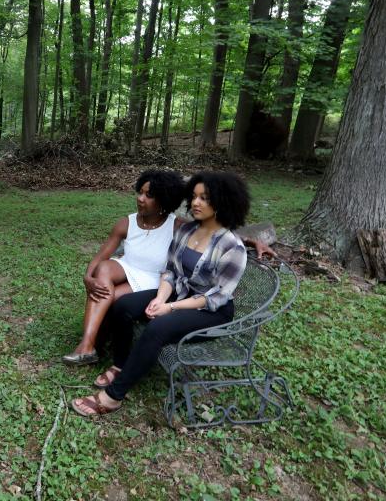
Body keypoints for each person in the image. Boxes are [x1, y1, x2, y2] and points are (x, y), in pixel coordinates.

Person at [71, 171, 252, 416]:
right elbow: (170, 272)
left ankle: (113, 396)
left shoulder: (232, 247)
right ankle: (121, 364)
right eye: (195, 197)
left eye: (205, 198)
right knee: (123, 306)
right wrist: (159, 298)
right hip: (178, 294)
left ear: (222, 202)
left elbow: (215, 297)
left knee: (157, 328)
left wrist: (170, 307)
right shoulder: (187, 231)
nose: (196, 203)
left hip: (210, 312)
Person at [62, 169, 187, 366]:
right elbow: (101, 255)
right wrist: (87, 276)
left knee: (111, 296)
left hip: (154, 279)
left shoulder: (177, 226)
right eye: (140, 192)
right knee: (102, 269)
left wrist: (249, 240)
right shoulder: (126, 223)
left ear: (164, 199)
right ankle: (87, 345)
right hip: (127, 267)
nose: (141, 199)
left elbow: (213, 235)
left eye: (149, 195)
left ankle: (93, 346)